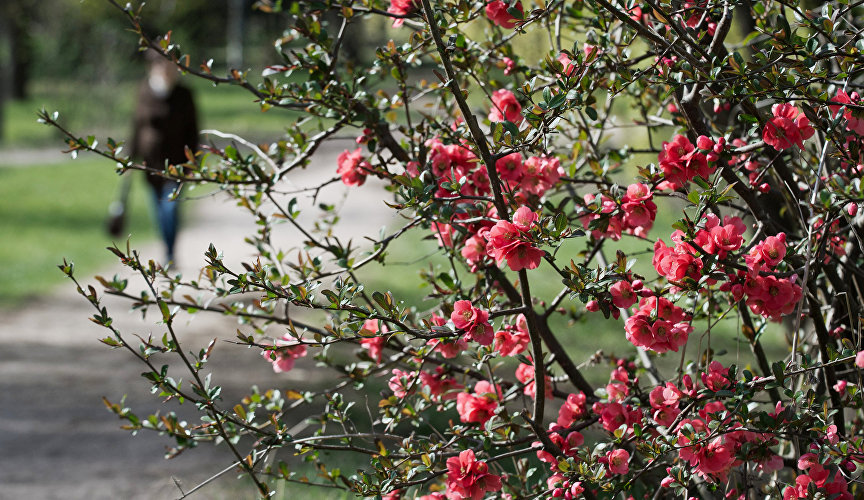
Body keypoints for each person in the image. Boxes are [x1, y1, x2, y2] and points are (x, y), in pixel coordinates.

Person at [129, 50, 199, 265]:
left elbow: (194, 130)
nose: (167, 69)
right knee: (159, 211)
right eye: (162, 64)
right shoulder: (144, 91)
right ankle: (167, 246)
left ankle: (170, 253)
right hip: (150, 164)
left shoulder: (184, 94)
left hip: (177, 163)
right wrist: (130, 157)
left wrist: (193, 161)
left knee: (171, 208)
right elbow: (136, 126)